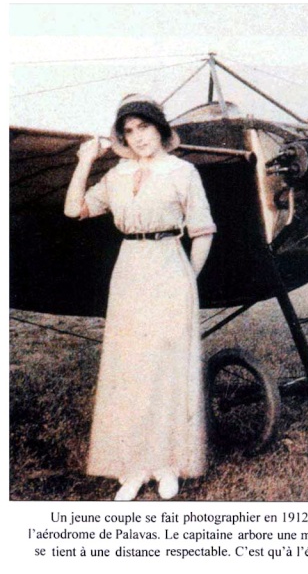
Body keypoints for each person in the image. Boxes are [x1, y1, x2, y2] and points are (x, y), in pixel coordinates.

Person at [64, 94, 216, 500]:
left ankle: (168, 464)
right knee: (130, 365)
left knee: (166, 364)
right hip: (130, 267)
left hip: (170, 264)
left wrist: (188, 280)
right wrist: (85, 161)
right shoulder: (116, 175)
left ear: (160, 129)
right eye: (129, 131)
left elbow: (202, 232)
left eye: (144, 127)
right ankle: (133, 466)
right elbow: (73, 209)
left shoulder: (182, 172)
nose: (138, 137)